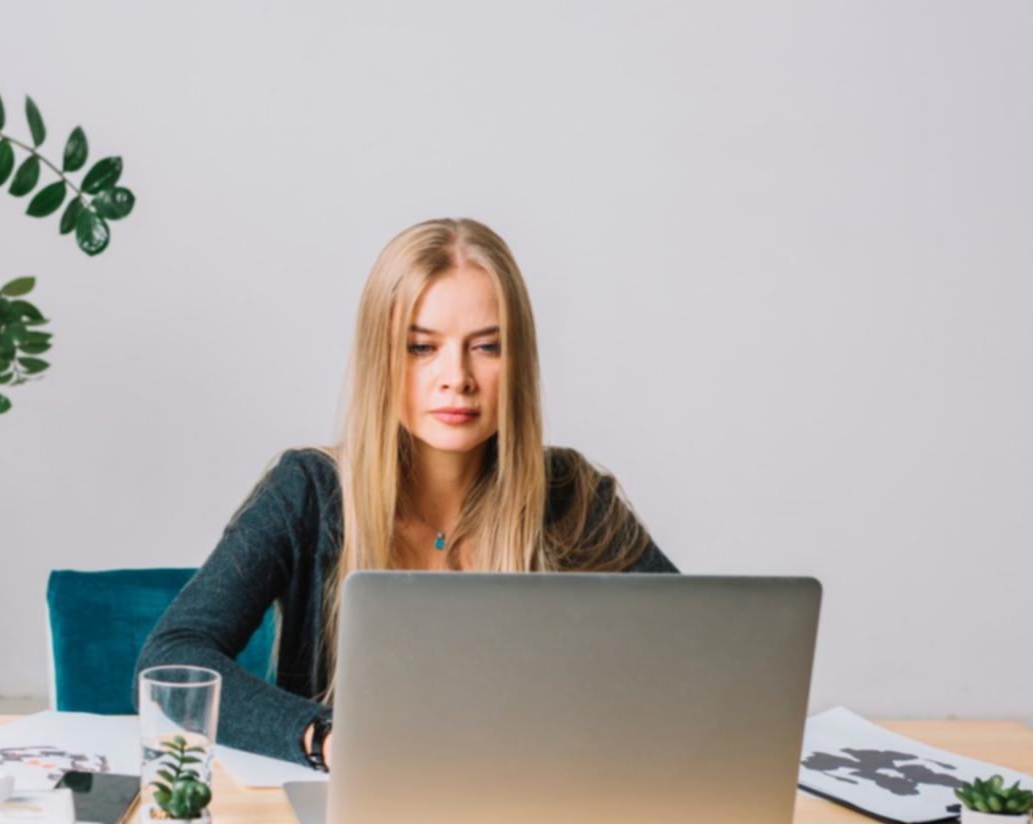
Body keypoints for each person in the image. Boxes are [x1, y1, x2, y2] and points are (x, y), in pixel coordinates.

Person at [135, 218, 677, 769]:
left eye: (487, 347)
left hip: (533, 816)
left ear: (518, 364)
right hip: (359, 817)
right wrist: (324, 737)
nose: (456, 377)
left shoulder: (573, 496)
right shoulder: (307, 492)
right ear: (381, 359)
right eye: (422, 347)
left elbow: (701, 650)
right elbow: (174, 656)